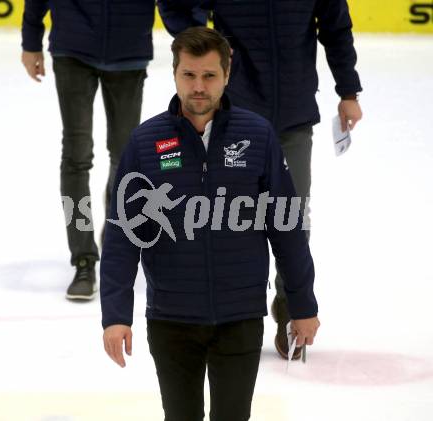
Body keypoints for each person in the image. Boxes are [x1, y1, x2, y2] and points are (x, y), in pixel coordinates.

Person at [101, 27, 320, 421]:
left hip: (240, 316)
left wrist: (302, 304)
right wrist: (116, 315)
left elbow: (286, 227)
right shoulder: (146, 143)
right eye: (189, 75)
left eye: (209, 76)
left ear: (227, 74)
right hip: (171, 319)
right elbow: (121, 235)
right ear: (174, 74)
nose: (198, 87)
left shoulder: (257, 136)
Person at [157, 0, 363, 359]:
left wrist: (348, 92)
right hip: (236, 114)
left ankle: (287, 305)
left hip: (294, 115)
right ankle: (230, 314)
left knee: (292, 218)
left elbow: (335, 27)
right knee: (232, 218)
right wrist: (205, 42)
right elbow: (178, 5)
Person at [21, 0, 155, 300]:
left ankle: (115, 236)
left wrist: (191, 37)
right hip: (73, 49)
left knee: (125, 158)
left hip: (129, 50)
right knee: (76, 157)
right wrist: (31, 39)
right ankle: (83, 258)